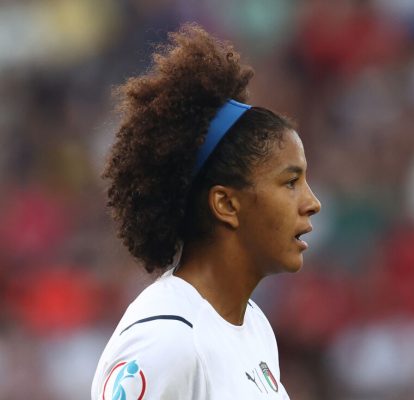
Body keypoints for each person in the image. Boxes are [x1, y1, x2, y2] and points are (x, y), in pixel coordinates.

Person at [91, 24, 321, 399]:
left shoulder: (255, 327)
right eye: (290, 182)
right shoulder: (165, 342)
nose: (312, 202)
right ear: (226, 204)